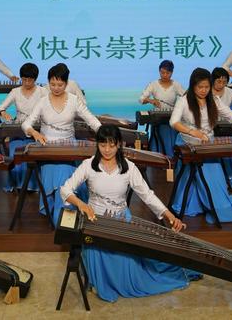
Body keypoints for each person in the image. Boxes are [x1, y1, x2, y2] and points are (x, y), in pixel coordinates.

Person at [60, 125, 199, 302]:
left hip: (121, 221)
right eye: (103, 145)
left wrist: (169, 215)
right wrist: (81, 204)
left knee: (130, 275)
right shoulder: (88, 165)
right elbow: (65, 190)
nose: (107, 150)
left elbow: (147, 195)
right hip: (96, 223)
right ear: (97, 145)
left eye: (112, 145)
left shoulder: (129, 167)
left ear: (119, 144)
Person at [169, 68, 232, 224]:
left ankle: (216, 206)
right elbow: (173, 122)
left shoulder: (214, 101)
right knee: (190, 176)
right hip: (187, 143)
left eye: (206, 87)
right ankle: (192, 205)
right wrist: (193, 132)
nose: (203, 91)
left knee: (213, 176)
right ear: (193, 85)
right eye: (200, 87)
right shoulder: (184, 101)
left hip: (207, 144)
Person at [22, 63, 101, 223]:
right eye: (52, 84)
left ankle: (64, 216)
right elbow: (26, 124)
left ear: (66, 83)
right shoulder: (43, 101)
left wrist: (104, 133)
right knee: (60, 172)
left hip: (69, 149)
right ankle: (64, 217)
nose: (56, 88)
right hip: (47, 149)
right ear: (48, 82)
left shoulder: (73, 100)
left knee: (66, 171)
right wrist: (35, 132)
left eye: (60, 84)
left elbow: (91, 119)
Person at [0, 62, 47, 192]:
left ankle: (35, 186)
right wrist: (3, 113)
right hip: (18, 131)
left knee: (33, 156)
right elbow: (1, 107)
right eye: (24, 79)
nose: (26, 83)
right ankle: (17, 184)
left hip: (36, 131)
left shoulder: (42, 91)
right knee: (16, 154)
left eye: (30, 80)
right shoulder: (15, 92)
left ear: (35, 79)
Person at [138, 59, 185, 157]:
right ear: (159, 71)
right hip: (158, 116)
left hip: (172, 116)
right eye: (162, 72)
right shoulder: (153, 84)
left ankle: (171, 157)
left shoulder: (176, 85)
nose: (164, 75)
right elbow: (141, 99)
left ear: (172, 73)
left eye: (167, 73)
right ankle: (158, 157)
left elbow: (186, 97)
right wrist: (151, 100)